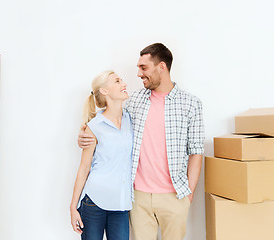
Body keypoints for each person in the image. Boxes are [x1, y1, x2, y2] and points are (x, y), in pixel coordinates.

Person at [78, 43, 204, 240]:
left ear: (161, 67)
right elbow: (111, 120)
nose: (138, 74)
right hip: (138, 197)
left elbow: (196, 151)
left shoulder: (191, 104)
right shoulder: (135, 100)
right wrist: (86, 133)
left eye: (143, 68)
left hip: (175, 197)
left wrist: (189, 195)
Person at [70, 71, 133, 240]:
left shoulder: (131, 120)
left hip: (121, 205)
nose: (124, 84)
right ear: (104, 91)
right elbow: (84, 168)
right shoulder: (94, 126)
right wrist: (73, 207)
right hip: (93, 202)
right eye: (117, 81)